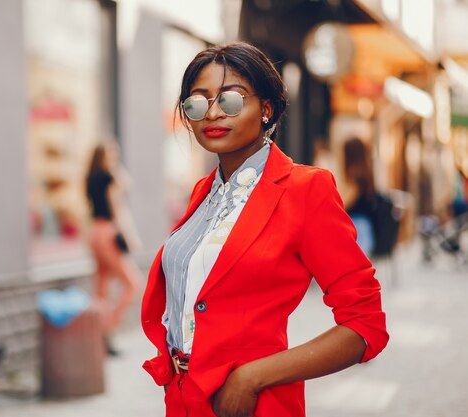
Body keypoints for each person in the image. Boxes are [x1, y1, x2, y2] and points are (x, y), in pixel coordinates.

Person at [141, 42, 389, 417]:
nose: (213, 114)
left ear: (266, 109)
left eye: (231, 101)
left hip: (254, 404)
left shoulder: (305, 190)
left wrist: (252, 378)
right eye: (196, 103)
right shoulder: (203, 192)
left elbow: (365, 326)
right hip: (184, 399)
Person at [85, 141, 141, 356]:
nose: (115, 157)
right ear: (104, 157)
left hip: (95, 232)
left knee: (101, 287)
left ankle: (97, 335)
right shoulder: (110, 178)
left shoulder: (90, 178)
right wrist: (129, 236)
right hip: (108, 232)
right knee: (133, 284)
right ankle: (107, 330)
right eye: (112, 154)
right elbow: (118, 206)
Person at [341, 137, 377, 256]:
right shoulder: (367, 174)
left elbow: (342, 206)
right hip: (366, 228)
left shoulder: (354, 179)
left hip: (357, 229)